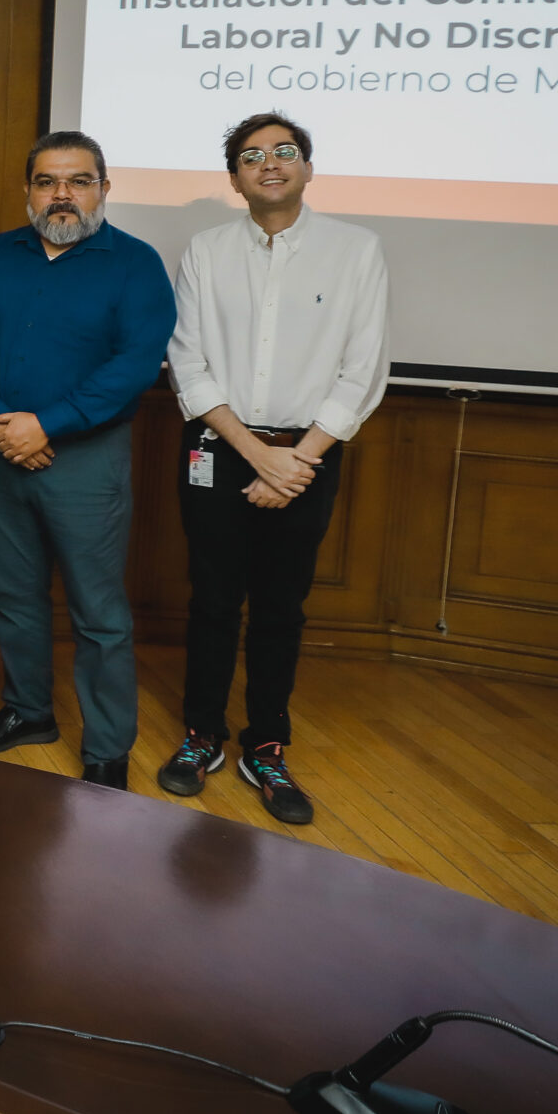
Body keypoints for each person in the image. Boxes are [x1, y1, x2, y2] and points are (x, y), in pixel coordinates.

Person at [157, 112, 389, 826]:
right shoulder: (206, 250)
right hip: (220, 450)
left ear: (308, 168)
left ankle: (266, 743)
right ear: (235, 178)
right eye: (252, 156)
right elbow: (188, 364)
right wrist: (257, 455)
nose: (270, 164)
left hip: (308, 456)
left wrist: (297, 460)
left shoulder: (357, 251)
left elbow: (363, 370)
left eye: (284, 152)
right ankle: (203, 736)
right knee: (214, 600)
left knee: (281, 608)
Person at [0, 131, 173, 787]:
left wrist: (47, 423)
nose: (62, 193)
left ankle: (107, 747)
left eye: (78, 180)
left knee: (98, 609)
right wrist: (5, 422)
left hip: (85, 458)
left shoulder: (136, 264)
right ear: (28, 190)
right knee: (17, 595)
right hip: (2, 451)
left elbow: (136, 363)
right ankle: (29, 712)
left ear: (104, 189)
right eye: (48, 180)